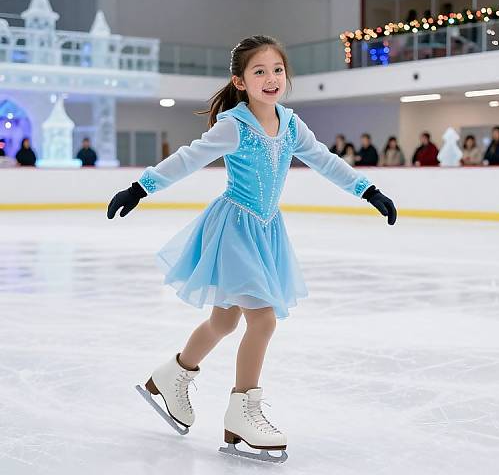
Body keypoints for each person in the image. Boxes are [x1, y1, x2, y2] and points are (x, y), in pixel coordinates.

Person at [107, 35, 397, 463]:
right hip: (234, 230)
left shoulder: (292, 124)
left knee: (224, 321)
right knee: (261, 320)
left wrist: (367, 189)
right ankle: (243, 409)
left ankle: (172, 376)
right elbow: (189, 157)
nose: (270, 78)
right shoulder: (235, 125)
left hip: (266, 231)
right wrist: (140, 187)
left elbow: (324, 159)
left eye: (277, 70)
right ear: (240, 82)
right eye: (258, 71)